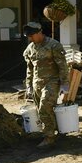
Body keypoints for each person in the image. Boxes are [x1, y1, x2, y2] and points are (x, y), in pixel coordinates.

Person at [23, 21, 69, 149]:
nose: (30, 38)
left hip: (52, 82)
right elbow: (30, 69)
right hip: (36, 83)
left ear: (39, 32)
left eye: (32, 35)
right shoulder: (30, 49)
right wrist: (28, 85)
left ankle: (49, 137)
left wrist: (65, 85)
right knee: (41, 110)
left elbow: (63, 66)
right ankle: (56, 130)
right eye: (28, 36)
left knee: (44, 107)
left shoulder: (54, 45)